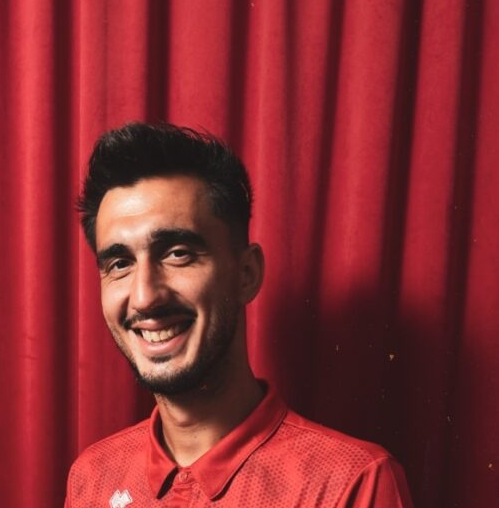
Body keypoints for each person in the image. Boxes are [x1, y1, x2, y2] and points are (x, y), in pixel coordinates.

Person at [64, 122, 414, 507]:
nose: (145, 297)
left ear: (247, 274)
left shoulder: (354, 483)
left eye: (178, 253)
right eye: (119, 264)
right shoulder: (92, 476)